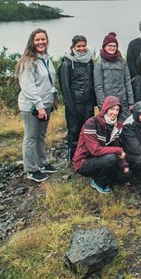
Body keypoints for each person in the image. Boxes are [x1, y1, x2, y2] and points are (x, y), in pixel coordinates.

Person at [16, 28, 60, 183]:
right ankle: (31, 169)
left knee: (41, 136)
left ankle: (43, 163)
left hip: (46, 103)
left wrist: (54, 98)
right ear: (32, 42)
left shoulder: (45, 58)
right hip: (32, 107)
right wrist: (39, 106)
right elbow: (28, 86)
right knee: (31, 137)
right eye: (37, 40)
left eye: (43, 39)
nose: (41, 42)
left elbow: (49, 80)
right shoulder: (28, 61)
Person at [73, 95, 131, 193]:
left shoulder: (116, 125)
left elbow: (116, 146)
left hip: (101, 159)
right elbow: (95, 150)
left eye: (117, 110)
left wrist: (124, 164)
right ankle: (98, 182)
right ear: (105, 109)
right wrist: (118, 151)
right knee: (111, 158)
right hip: (84, 161)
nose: (115, 112)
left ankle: (99, 174)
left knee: (126, 175)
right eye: (112, 109)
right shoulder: (91, 123)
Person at [59, 35, 97, 163]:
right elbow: (65, 87)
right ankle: (74, 158)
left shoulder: (89, 61)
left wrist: (94, 101)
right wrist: (70, 106)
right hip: (75, 103)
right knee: (74, 131)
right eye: (78, 46)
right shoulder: (67, 63)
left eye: (83, 46)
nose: (81, 48)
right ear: (73, 47)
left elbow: (92, 81)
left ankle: (87, 154)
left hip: (88, 102)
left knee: (89, 129)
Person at [94, 32, 134, 118]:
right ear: (104, 46)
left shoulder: (122, 61)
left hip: (122, 101)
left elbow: (127, 82)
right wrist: (102, 106)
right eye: (109, 45)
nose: (112, 48)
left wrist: (131, 101)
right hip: (108, 103)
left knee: (126, 126)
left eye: (114, 46)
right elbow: (98, 87)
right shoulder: (99, 64)